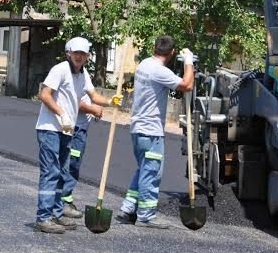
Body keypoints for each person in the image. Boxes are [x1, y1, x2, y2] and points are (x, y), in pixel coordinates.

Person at [35, 37, 120, 234]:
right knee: (51, 172)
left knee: (61, 173)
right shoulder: (60, 70)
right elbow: (45, 94)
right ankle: (43, 217)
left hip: (66, 130)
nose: (79, 57)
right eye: (76, 53)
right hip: (49, 128)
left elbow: (93, 96)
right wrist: (61, 113)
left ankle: (56, 214)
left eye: (83, 54)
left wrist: (110, 101)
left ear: (88, 56)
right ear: (69, 53)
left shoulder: (83, 75)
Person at [115, 36, 194, 229]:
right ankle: (145, 215)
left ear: (154, 48)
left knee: (143, 169)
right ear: (172, 52)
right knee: (152, 172)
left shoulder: (144, 64)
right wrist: (189, 62)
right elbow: (187, 85)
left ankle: (128, 208)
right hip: (151, 131)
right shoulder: (160, 71)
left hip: (138, 129)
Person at [58, 93, 102, 218]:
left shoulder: (82, 76)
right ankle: (63, 203)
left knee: (69, 162)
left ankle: (63, 200)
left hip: (75, 127)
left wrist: (108, 103)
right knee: (71, 164)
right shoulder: (75, 75)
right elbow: (73, 102)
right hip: (74, 128)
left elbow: (90, 96)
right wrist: (93, 109)